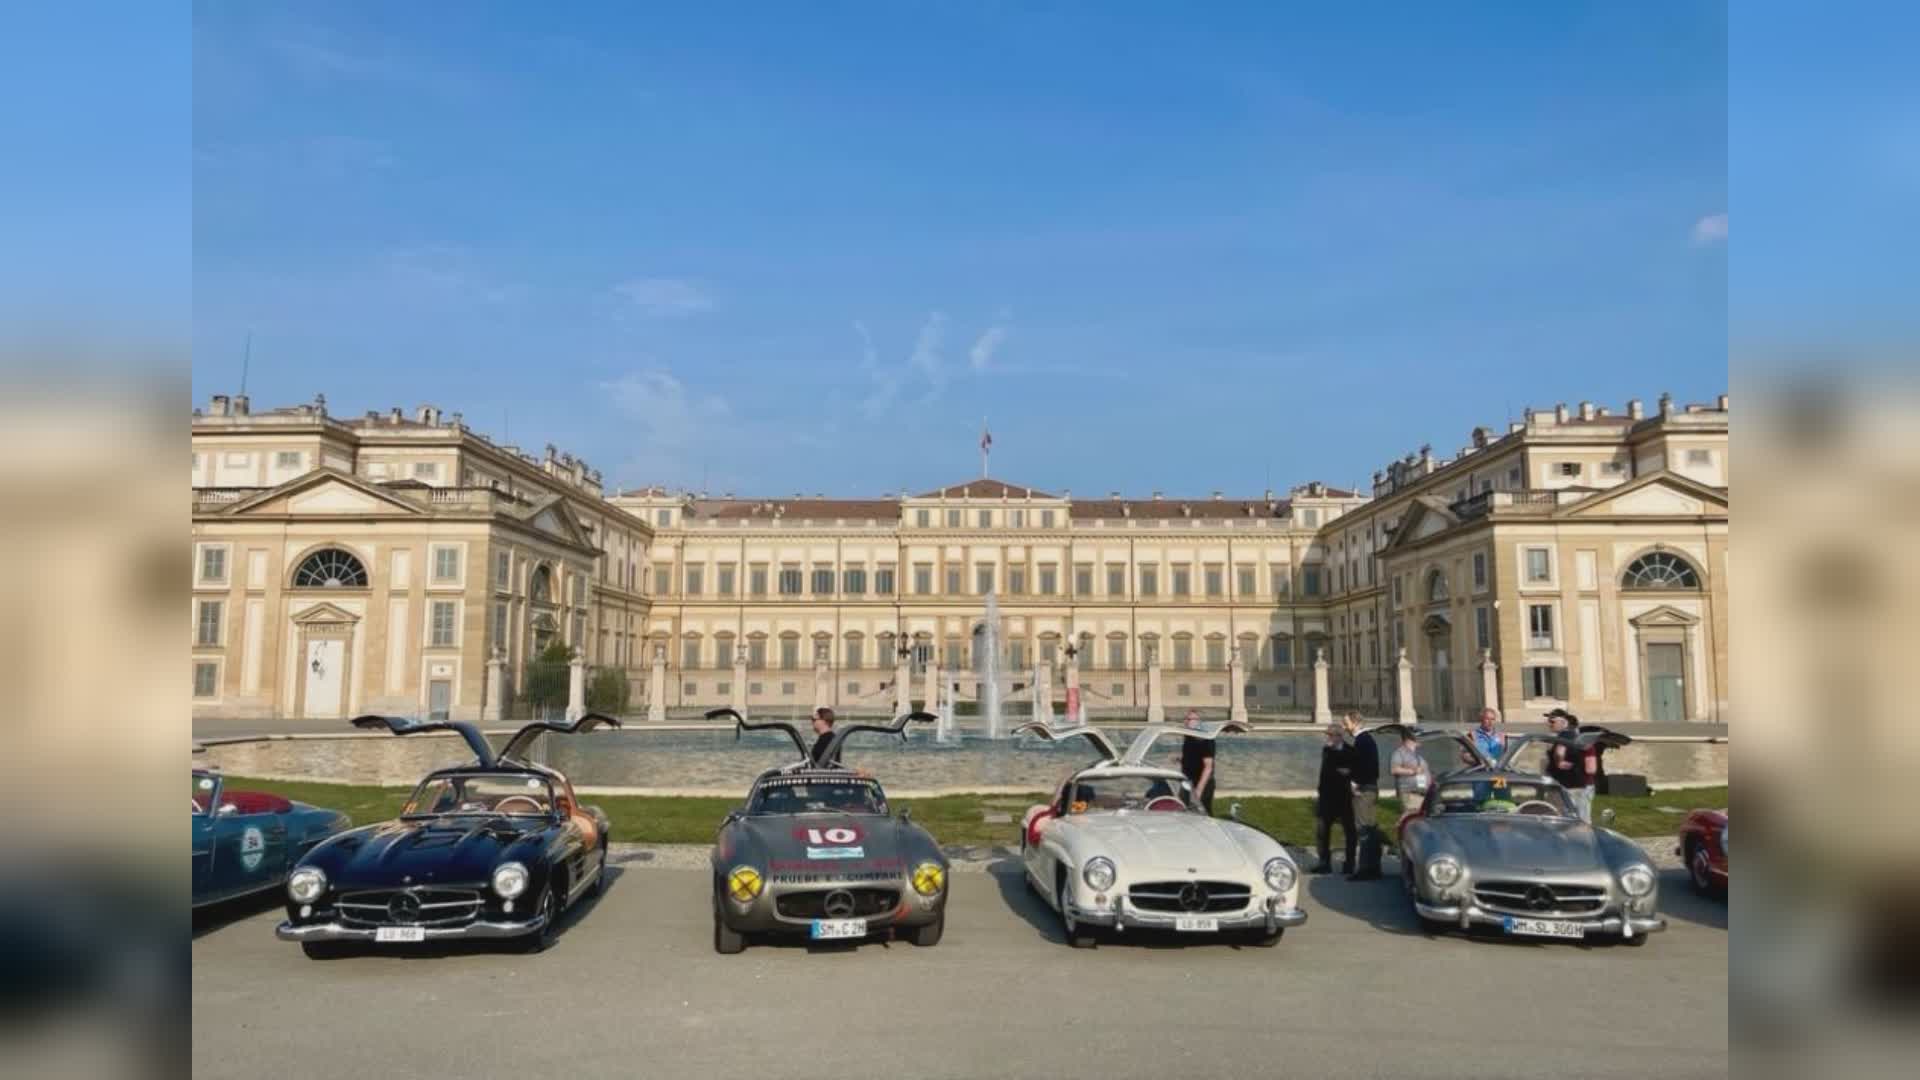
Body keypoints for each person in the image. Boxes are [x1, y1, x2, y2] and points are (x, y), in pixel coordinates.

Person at [1340, 712, 1382, 880]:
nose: (1344, 727)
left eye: (1346, 723)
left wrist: (1355, 782)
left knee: (1364, 828)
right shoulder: (1366, 740)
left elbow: (1367, 767)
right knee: (1370, 828)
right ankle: (1373, 867)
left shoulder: (1363, 741)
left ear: (1355, 723)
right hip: (1369, 788)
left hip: (1364, 790)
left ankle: (1366, 870)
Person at [1312, 722, 1356, 874]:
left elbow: (1351, 771)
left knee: (1349, 831)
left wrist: (1345, 772)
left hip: (1344, 797)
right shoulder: (1326, 750)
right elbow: (1326, 772)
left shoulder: (1351, 751)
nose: (1327, 738)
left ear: (1338, 736)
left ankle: (1349, 863)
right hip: (1326, 796)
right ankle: (1324, 863)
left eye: (1330, 735)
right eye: (1327, 735)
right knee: (1322, 831)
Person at [1542, 708, 1592, 821]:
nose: (1549, 724)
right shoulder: (1572, 734)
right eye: (1548, 721)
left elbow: (1560, 753)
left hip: (1565, 786)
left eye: (1552, 721)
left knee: (1565, 819)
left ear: (1564, 722)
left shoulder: (1565, 735)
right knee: (1578, 817)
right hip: (1573, 784)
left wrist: (1558, 762)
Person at [1178, 708, 1217, 815]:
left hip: (1202, 783)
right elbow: (1193, 757)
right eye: (1186, 719)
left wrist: (1199, 790)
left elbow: (1208, 766)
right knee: (1186, 811)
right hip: (1188, 781)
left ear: (1199, 722)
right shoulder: (1189, 737)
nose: (1186, 721)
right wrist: (1180, 759)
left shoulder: (1205, 739)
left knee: (1203, 813)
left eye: (1190, 719)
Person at [1389, 729, 1431, 815]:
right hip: (1409, 792)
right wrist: (1413, 771)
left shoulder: (1417, 755)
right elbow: (1394, 770)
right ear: (1410, 739)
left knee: (1418, 817)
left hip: (1421, 791)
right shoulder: (1399, 753)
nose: (1420, 740)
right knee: (1411, 816)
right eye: (1418, 737)